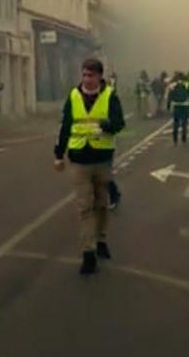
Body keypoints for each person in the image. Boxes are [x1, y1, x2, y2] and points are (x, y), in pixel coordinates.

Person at [54, 58, 125, 274]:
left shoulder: (110, 96)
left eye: (91, 75)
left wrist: (105, 126)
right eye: (84, 74)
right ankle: (88, 252)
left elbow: (119, 123)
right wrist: (58, 155)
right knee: (84, 208)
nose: (87, 79)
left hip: (102, 159)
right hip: (79, 160)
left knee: (101, 205)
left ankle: (101, 239)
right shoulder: (73, 96)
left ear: (100, 76)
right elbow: (65, 126)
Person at [167, 72, 189, 145]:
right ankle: (184, 137)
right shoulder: (187, 84)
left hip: (176, 106)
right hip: (185, 105)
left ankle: (175, 138)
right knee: (184, 123)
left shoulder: (172, 85)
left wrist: (168, 106)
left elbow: (169, 97)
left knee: (176, 122)